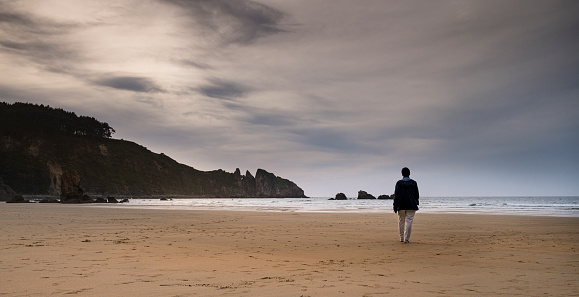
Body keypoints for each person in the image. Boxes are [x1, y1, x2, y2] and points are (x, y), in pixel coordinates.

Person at [393, 167, 419, 243]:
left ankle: (401, 237)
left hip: (401, 204)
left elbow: (396, 196)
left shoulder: (399, 183)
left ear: (402, 174)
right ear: (409, 174)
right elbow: (416, 194)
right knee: (409, 221)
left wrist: (395, 206)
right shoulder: (414, 183)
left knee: (401, 221)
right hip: (411, 204)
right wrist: (416, 202)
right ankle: (406, 238)